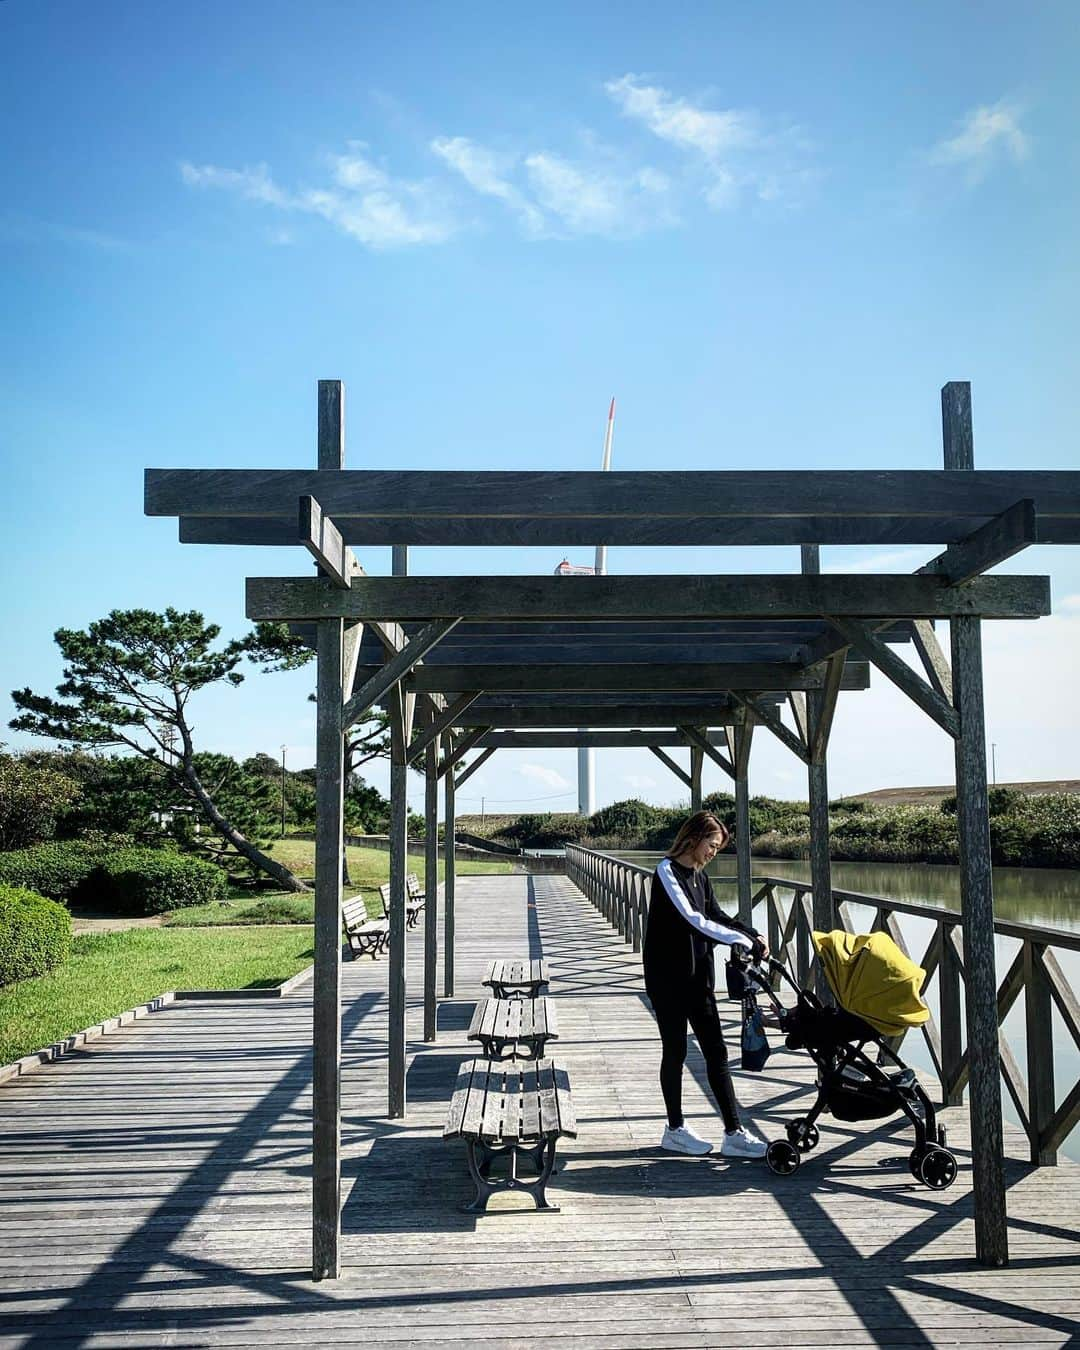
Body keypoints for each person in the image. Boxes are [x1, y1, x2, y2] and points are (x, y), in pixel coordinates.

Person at [643, 810, 769, 1159]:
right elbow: (695, 921)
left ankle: (733, 1133)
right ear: (694, 839)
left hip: (698, 979)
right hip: (667, 980)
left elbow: (717, 915)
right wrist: (738, 941)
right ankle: (675, 1130)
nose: (714, 852)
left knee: (716, 1052)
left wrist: (750, 933)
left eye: (718, 847)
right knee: (676, 1051)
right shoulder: (666, 872)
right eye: (711, 845)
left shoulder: (701, 877)